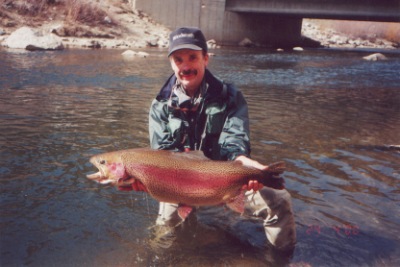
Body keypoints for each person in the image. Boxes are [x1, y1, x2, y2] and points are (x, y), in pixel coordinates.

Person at [147, 27, 296, 251]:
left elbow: (234, 140)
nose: (185, 66)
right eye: (178, 60)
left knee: (279, 199)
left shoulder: (230, 96)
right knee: (165, 235)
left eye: (192, 58)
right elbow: (163, 154)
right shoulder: (160, 105)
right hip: (180, 183)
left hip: (227, 180)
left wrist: (243, 162)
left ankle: (281, 258)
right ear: (171, 63)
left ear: (206, 59)